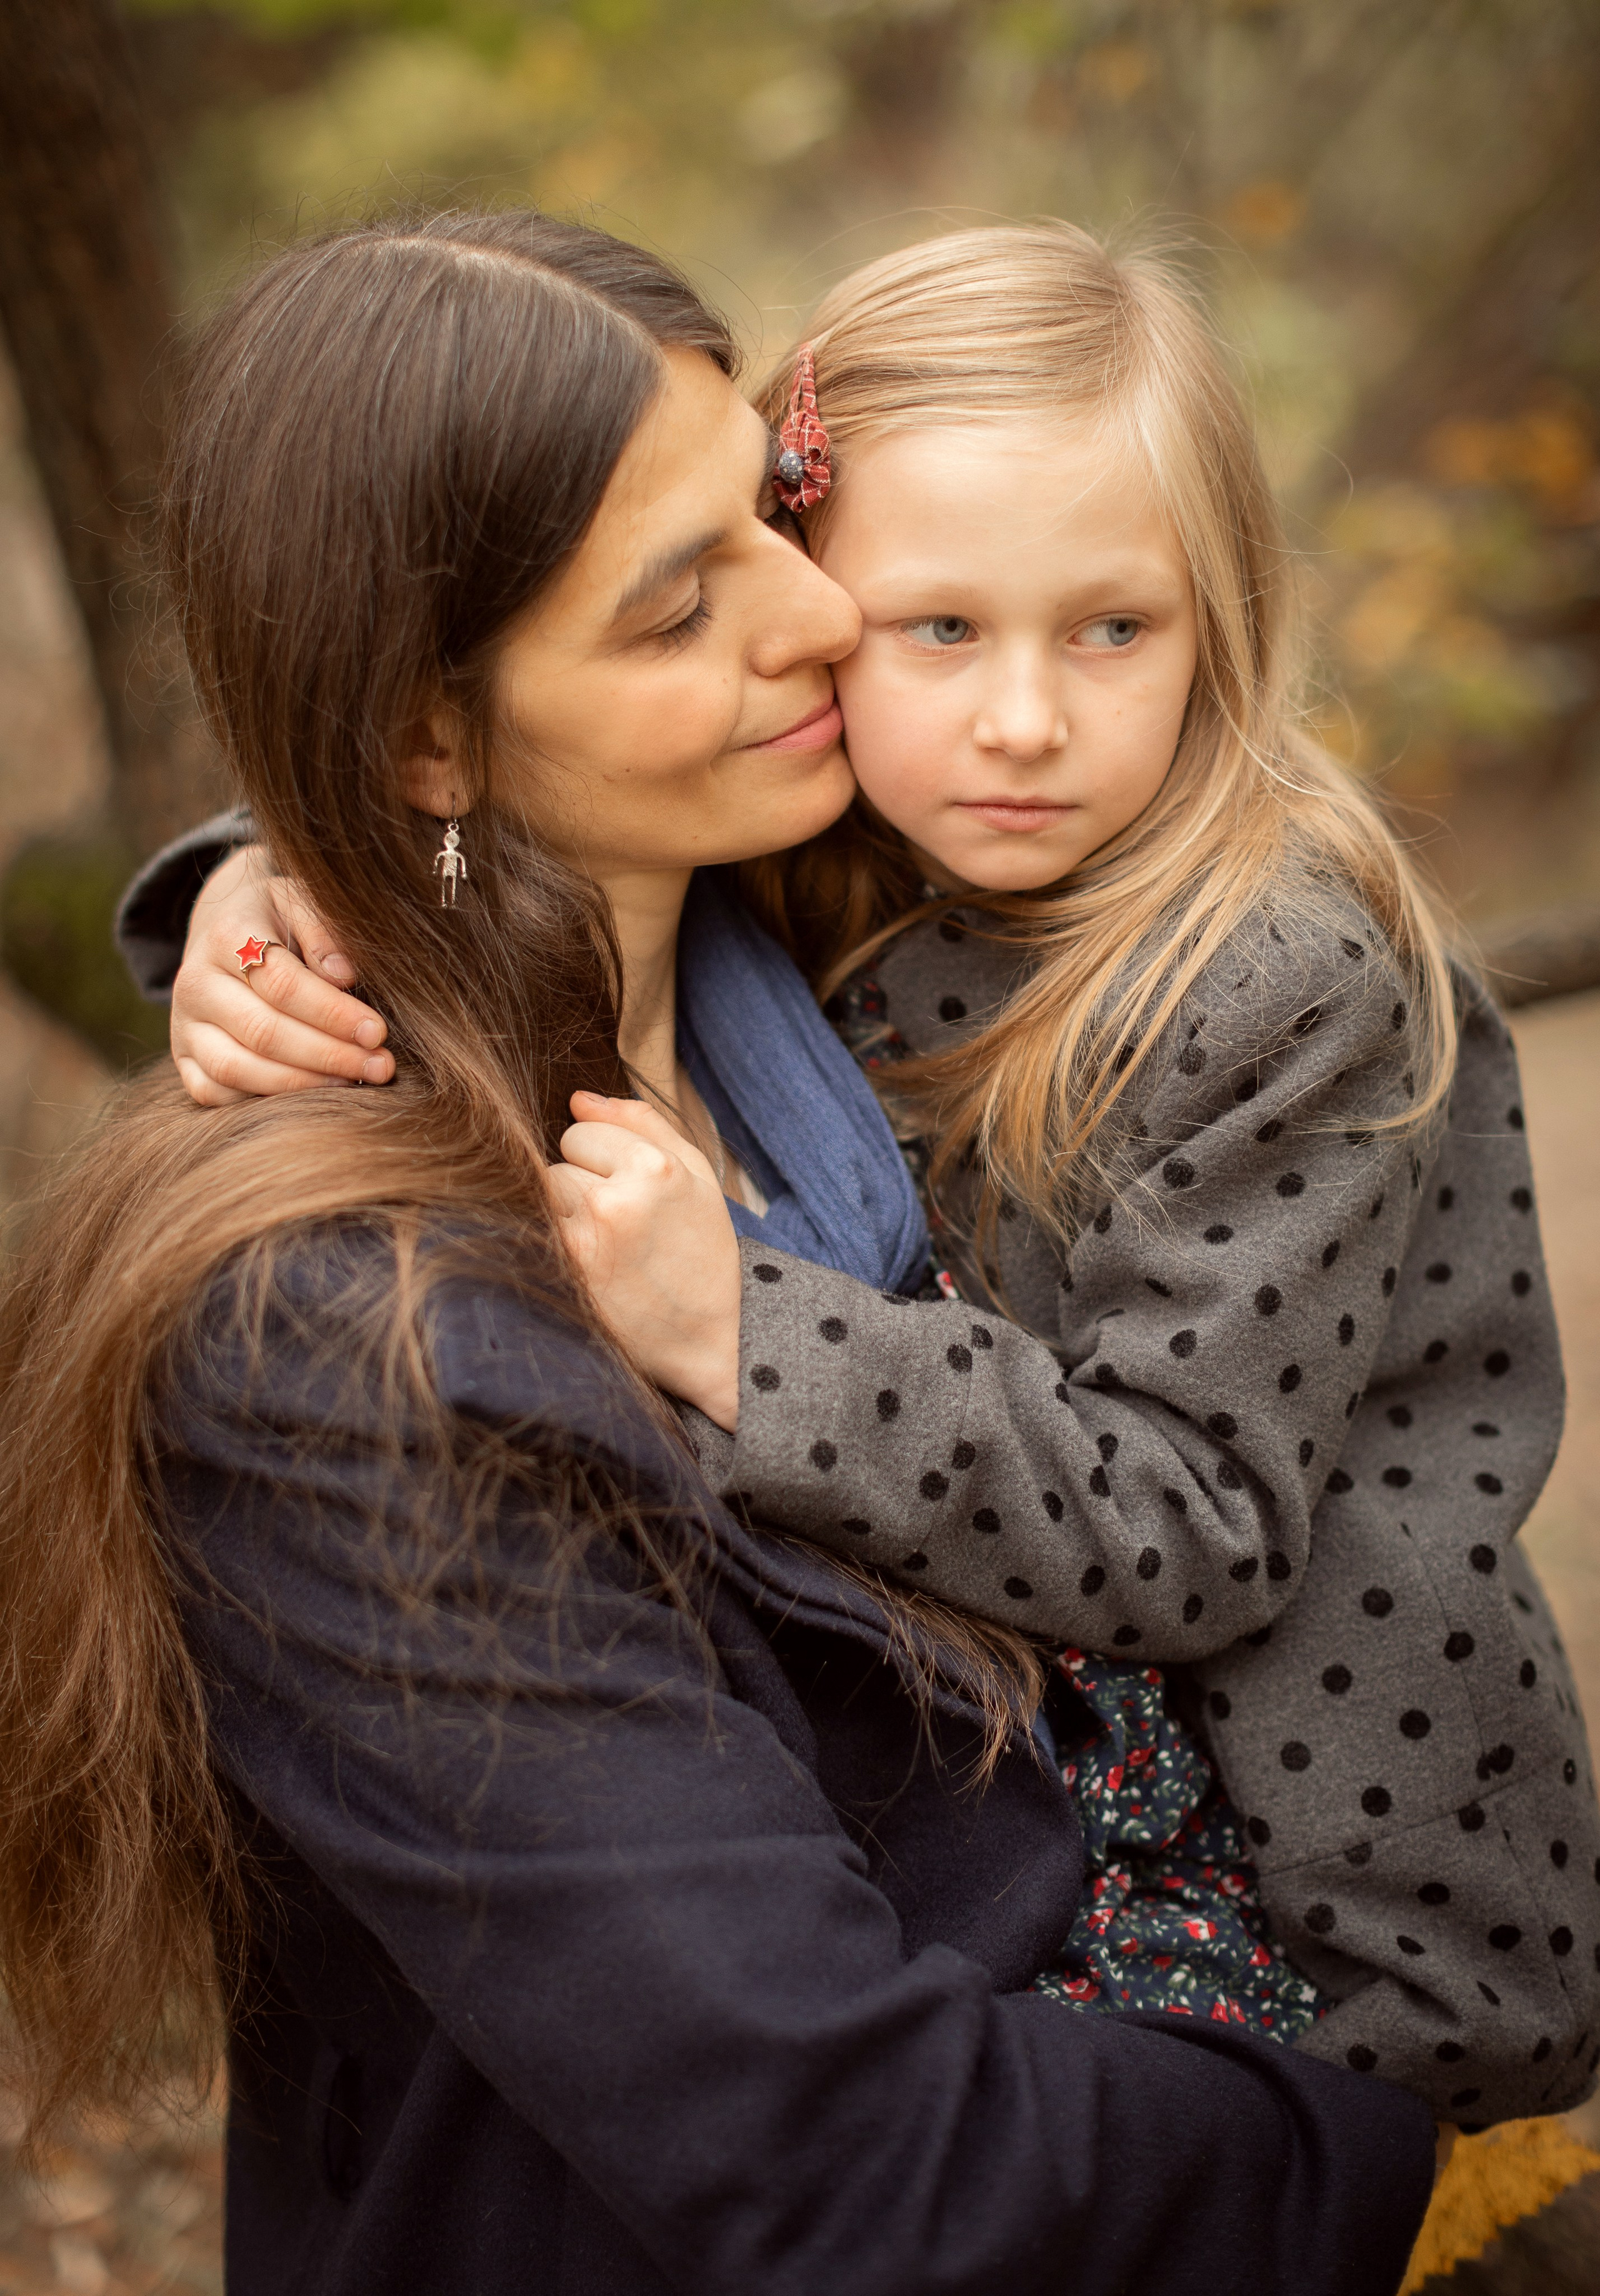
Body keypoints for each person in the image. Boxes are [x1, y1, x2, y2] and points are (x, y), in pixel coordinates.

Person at [0, 208, 1439, 2296]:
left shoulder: (819, 954)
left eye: (774, 508)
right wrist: (1379, 2132)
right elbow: (857, 2168)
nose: (823, 614)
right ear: (427, 738)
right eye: (684, 608)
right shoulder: (344, 1346)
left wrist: (261, 869)